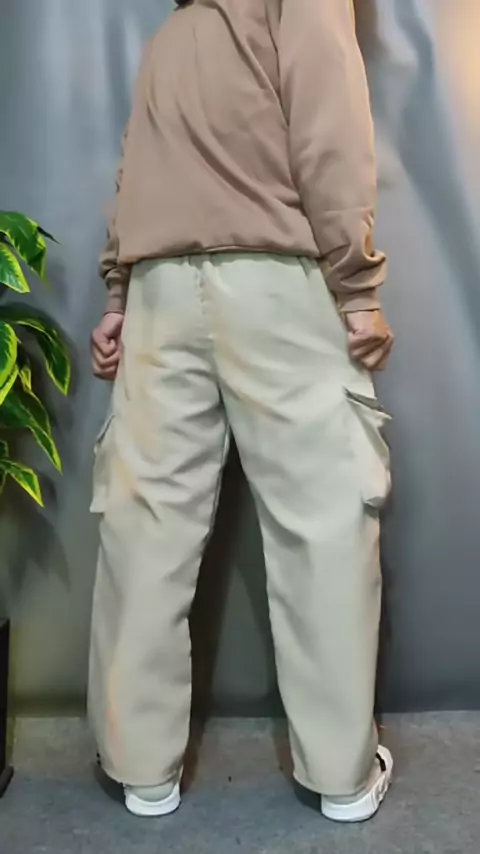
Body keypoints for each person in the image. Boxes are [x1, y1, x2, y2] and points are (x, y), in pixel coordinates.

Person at [89, 0, 394, 823]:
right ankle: (342, 778)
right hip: (276, 282)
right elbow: (330, 130)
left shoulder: (172, 32)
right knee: (321, 523)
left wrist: (118, 294)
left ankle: (142, 771)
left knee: (146, 527)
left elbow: (136, 169)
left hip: (159, 293)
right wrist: (358, 289)